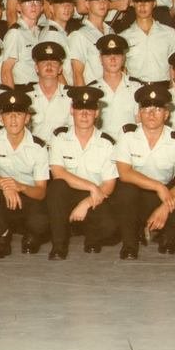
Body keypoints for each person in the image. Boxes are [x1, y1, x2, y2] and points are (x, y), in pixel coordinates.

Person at [112, 83, 175, 259]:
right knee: (125, 192)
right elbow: (124, 173)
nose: (151, 113)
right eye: (146, 108)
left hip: (165, 194)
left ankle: (167, 237)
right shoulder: (127, 135)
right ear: (139, 113)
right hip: (136, 194)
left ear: (166, 114)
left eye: (157, 109)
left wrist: (165, 207)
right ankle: (130, 244)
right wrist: (158, 186)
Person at [0, 88, 50, 257]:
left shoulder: (38, 147)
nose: (13, 119)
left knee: (40, 223)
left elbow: (40, 192)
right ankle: (1, 239)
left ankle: (30, 234)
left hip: (28, 197)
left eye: (19, 114)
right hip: (3, 195)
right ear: (1, 118)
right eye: (8, 114)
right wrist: (5, 184)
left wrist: (20, 187)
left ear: (27, 118)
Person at [47, 86, 120, 259]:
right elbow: (58, 172)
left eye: (90, 109)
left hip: (94, 197)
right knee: (56, 187)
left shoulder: (107, 143)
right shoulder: (59, 137)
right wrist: (91, 186)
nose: (85, 114)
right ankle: (58, 246)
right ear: (72, 110)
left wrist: (86, 202)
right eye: (80, 108)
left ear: (97, 113)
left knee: (110, 227)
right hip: (67, 194)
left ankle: (92, 237)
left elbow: (109, 185)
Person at [123, 0, 175, 83]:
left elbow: (174, 67)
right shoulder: (124, 37)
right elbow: (123, 69)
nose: (142, 6)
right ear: (132, 3)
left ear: (154, 3)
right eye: (138, 1)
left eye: (147, 1)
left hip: (162, 88)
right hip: (135, 89)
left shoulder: (169, 33)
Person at [88, 35, 140, 139]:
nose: (113, 59)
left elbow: (140, 122)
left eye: (117, 54)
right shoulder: (92, 90)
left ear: (123, 58)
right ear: (100, 59)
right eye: (108, 55)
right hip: (102, 145)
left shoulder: (136, 87)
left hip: (129, 143)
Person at [0, 0, 47, 87]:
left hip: (39, 90)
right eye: (28, 2)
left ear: (42, 7)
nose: (33, 6)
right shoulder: (15, 33)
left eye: (37, 2)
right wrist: (13, 96)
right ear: (18, 7)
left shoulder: (40, 33)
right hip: (22, 90)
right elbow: (6, 72)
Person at [69, 0, 114, 85]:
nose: (102, 3)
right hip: (92, 92)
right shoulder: (79, 35)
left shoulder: (111, 32)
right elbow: (77, 74)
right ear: (87, 4)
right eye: (97, 0)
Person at [27, 42, 72, 140]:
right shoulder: (26, 96)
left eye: (54, 62)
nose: (49, 66)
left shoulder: (71, 97)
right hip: (33, 148)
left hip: (62, 147)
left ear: (60, 69)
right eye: (44, 62)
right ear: (36, 68)